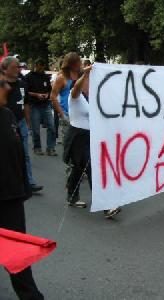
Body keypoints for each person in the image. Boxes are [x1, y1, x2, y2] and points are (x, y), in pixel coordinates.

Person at [0, 74, 44, 300]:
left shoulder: (7, 115)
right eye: (2, 84)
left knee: (16, 250)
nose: (8, 87)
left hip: (12, 197)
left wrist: (24, 187)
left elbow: (18, 156)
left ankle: (30, 296)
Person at [64, 66, 121, 219]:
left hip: (89, 135)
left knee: (79, 167)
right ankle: (106, 206)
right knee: (92, 169)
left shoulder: (91, 97)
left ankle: (71, 195)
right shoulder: (74, 95)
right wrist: (86, 73)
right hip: (77, 137)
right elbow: (76, 87)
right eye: (88, 81)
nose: (90, 83)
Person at [1, 56, 43, 193]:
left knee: (24, 153)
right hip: (5, 124)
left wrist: (27, 121)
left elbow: (25, 104)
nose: (17, 69)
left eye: (18, 67)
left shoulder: (22, 84)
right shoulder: (1, 85)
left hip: (21, 122)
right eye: (14, 67)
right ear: (5, 69)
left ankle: (29, 182)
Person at [25, 59, 57, 156]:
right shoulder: (28, 77)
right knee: (36, 129)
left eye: (42, 66)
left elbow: (49, 90)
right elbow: (26, 91)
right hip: (34, 105)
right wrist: (36, 95)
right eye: (39, 66)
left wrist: (47, 95)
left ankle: (50, 148)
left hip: (46, 104)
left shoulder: (45, 77)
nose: (41, 68)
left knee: (52, 126)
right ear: (36, 65)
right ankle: (37, 147)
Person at [50, 52, 81, 140]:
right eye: (76, 62)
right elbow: (53, 96)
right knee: (69, 145)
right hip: (68, 115)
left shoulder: (81, 75)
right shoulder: (61, 77)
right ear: (70, 64)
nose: (79, 64)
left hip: (81, 115)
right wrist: (62, 114)